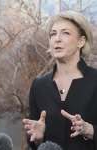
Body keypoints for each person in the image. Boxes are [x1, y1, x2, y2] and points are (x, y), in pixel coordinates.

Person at [22, 11, 97, 150]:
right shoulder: (39, 85)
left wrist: (89, 130)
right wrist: (37, 138)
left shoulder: (95, 80)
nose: (57, 39)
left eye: (65, 33)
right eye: (53, 34)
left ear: (81, 41)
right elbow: (33, 143)